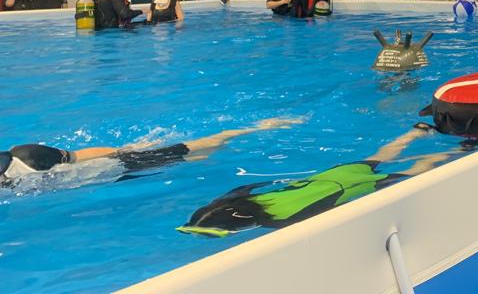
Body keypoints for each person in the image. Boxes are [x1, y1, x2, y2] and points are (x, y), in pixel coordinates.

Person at [177, 123, 453, 237]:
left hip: (348, 188)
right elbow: (243, 187)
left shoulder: (281, 222)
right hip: (328, 177)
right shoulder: (245, 198)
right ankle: (414, 134)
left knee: (412, 173)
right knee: (377, 157)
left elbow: (322, 214)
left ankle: (451, 153)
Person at [1, 118, 297, 189]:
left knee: (198, 148)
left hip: (115, 167)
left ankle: (249, 130)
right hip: (110, 181)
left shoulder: (26, 157)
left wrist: (124, 151)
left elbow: (80, 155)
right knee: (195, 157)